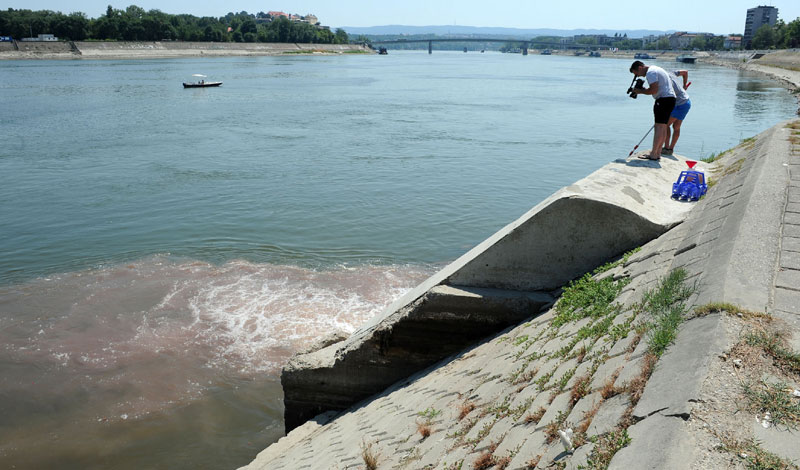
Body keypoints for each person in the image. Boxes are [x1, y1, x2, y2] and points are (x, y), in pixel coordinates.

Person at [629, 60, 677, 161]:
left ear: (640, 68)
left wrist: (639, 91)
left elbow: (653, 91)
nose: (639, 76)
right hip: (670, 99)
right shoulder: (656, 68)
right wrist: (643, 89)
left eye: (637, 74)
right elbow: (657, 88)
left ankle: (654, 154)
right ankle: (657, 153)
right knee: (663, 126)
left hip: (663, 100)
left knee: (658, 127)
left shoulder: (650, 73)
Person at [662, 70, 691, 155]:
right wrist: (684, 85)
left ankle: (666, 148)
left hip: (679, 104)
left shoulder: (664, 81)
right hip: (686, 102)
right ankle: (670, 149)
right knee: (676, 126)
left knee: (666, 124)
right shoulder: (671, 72)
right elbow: (685, 72)